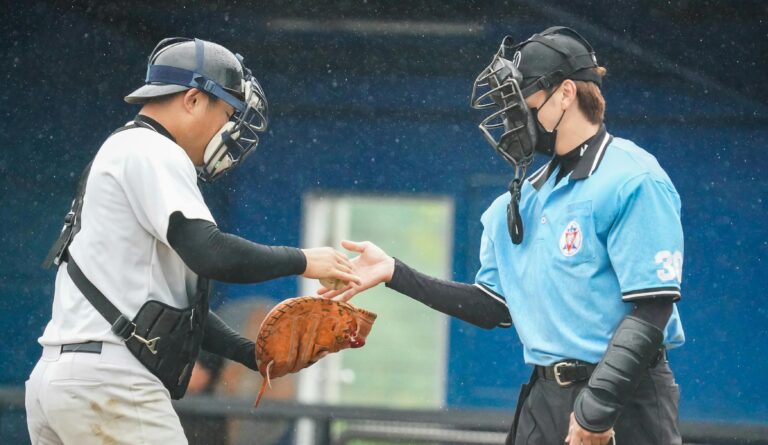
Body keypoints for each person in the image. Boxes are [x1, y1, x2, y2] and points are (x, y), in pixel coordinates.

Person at [321, 27, 685, 445]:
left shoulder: (634, 179)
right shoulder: (518, 201)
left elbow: (652, 308)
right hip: (543, 397)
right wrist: (394, 273)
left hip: (624, 399)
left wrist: (597, 410)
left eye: (522, 100)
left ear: (566, 93)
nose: (514, 117)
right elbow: (495, 306)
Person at [27, 37, 359, 445]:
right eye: (227, 111)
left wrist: (249, 353)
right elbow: (212, 253)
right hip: (110, 384)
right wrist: (305, 260)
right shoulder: (153, 150)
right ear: (192, 99)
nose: (231, 128)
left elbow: (174, 307)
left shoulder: (126, 148)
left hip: (62, 381)